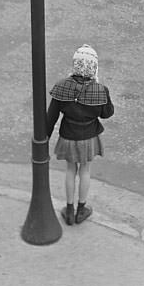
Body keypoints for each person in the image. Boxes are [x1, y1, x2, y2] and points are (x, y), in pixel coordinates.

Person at [46, 44, 114, 226]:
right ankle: (81, 210)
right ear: (94, 67)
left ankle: (68, 210)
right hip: (89, 137)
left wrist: (44, 139)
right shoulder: (100, 90)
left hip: (68, 136)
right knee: (85, 171)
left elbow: (50, 118)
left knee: (70, 170)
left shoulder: (62, 87)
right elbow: (107, 113)